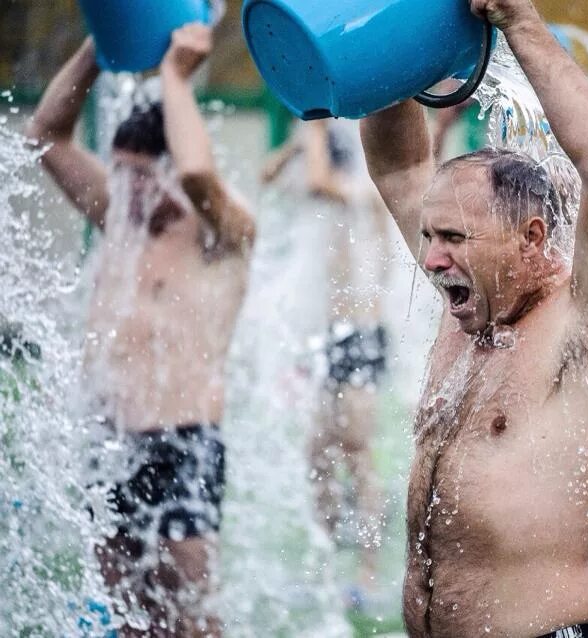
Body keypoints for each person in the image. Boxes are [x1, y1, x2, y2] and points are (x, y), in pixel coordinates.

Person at [359, 0, 588, 635]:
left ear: (531, 237)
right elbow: (399, 165)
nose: (432, 260)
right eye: (430, 236)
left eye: (455, 238)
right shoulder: (469, 295)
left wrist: (518, 21)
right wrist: (386, 36)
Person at [27, 24, 255, 636]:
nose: (124, 191)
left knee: (193, 617)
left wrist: (175, 78)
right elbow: (44, 137)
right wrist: (100, 43)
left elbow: (202, 176)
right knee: (131, 617)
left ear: (172, 170)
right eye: (119, 175)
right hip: (110, 440)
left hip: (182, 440)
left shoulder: (223, 234)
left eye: (140, 177)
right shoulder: (122, 221)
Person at [263, 119, 391, 610]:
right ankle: (323, 566)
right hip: (326, 335)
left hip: (361, 333)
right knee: (317, 451)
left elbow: (316, 179)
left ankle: (369, 573)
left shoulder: (361, 191)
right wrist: (297, 142)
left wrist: (312, 125)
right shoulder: (332, 190)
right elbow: (269, 177)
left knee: (356, 452)